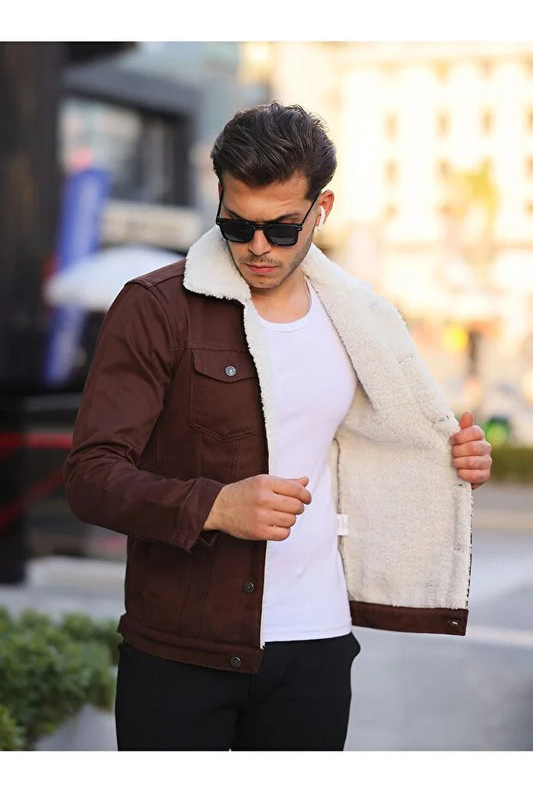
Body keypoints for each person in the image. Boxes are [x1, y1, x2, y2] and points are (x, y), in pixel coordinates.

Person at [64, 102, 492, 752]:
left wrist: (456, 460)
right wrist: (213, 505)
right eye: (237, 224)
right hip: (182, 649)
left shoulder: (360, 317)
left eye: (282, 228)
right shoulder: (154, 308)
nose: (257, 247)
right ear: (219, 196)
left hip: (315, 646)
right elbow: (90, 478)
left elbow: (382, 448)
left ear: (321, 209)